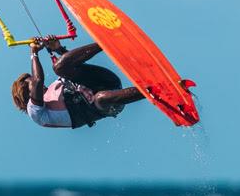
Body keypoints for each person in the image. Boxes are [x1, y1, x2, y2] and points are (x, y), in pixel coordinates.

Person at [10, 35, 145, 129]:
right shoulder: (35, 112)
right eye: (31, 82)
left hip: (104, 80)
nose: (36, 80)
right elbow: (38, 80)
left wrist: (58, 49)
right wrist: (34, 53)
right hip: (108, 104)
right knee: (100, 98)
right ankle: (151, 90)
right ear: (26, 94)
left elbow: (78, 67)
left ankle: (110, 41)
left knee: (59, 67)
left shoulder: (54, 87)